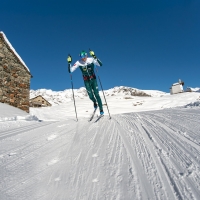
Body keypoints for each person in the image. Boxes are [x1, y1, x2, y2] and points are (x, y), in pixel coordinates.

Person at [67, 50, 104, 115]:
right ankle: (94, 102)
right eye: (81, 56)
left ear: (87, 55)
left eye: (84, 55)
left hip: (93, 79)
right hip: (86, 81)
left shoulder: (91, 59)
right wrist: (69, 62)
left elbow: (100, 64)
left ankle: (101, 109)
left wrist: (95, 56)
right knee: (90, 96)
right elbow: (70, 71)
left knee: (97, 94)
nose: (83, 57)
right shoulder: (79, 62)